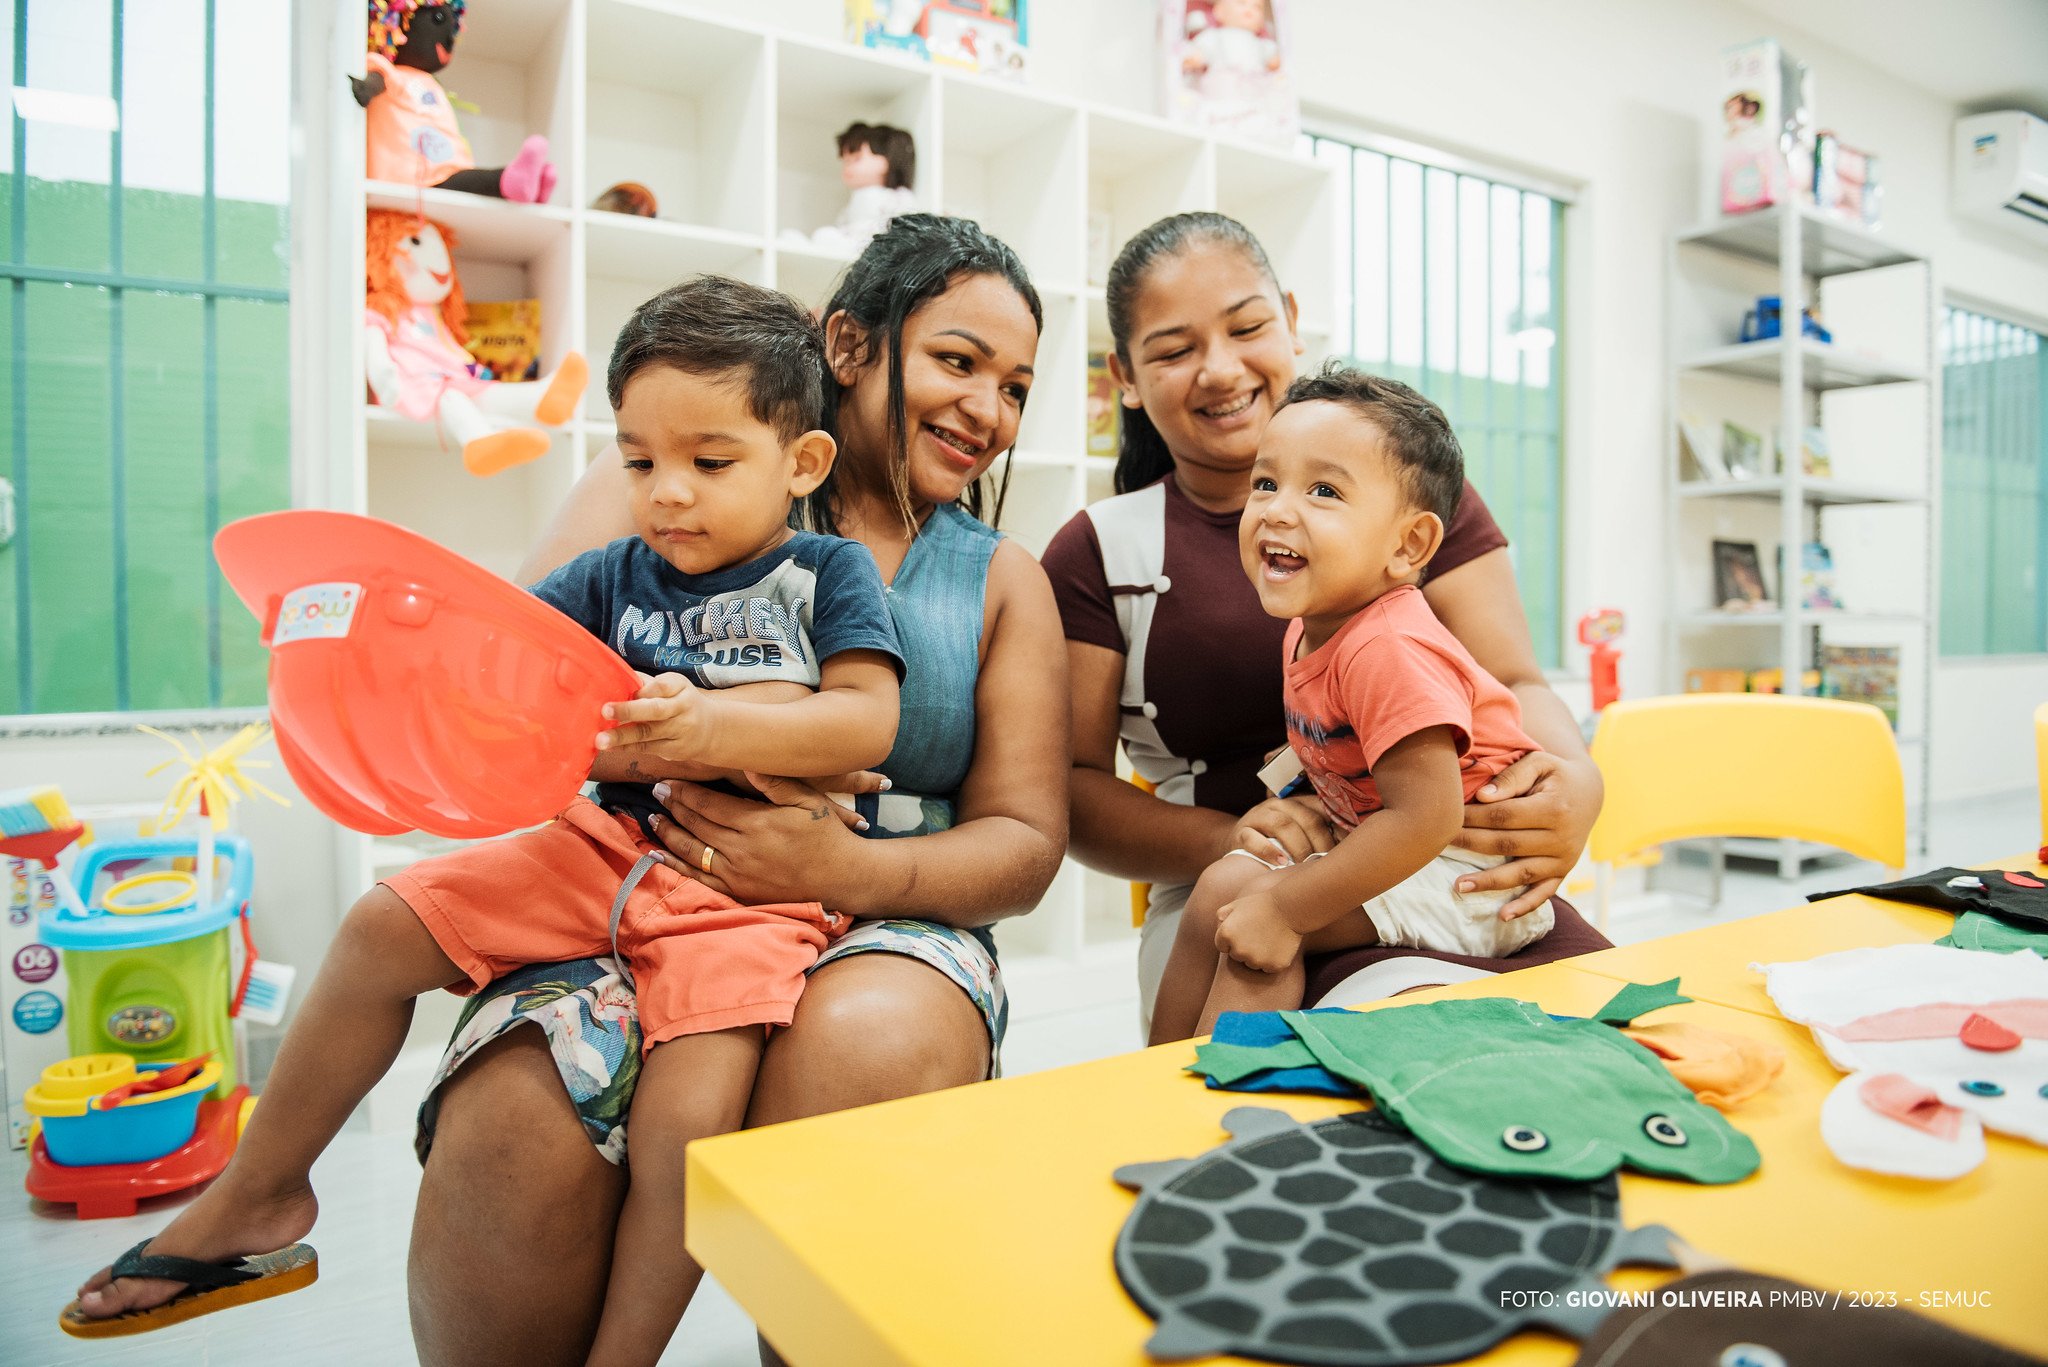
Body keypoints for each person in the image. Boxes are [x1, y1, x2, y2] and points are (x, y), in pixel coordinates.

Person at [64, 278, 909, 1366]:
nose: (667, 493)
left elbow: (865, 717)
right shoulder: (608, 574)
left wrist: (707, 725)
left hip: (746, 893)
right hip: (597, 852)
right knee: (380, 924)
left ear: (800, 465)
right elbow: (506, 683)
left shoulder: (822, 569)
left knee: (683, 1125)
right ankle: (259, 1194)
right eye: (639, 459)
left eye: (708, 462)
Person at [404, 215, 1065, 1367]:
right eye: (957, 361)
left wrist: (843, 868)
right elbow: (506, 709)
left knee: (860, 1048)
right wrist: (712, 744)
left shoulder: (1003, 576)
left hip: (890, 916)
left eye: (1013, 385)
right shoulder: (674, 481)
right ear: (849, 344)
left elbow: (1023, 846)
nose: (987, 410)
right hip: (628, 884)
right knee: (518, 1102)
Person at [1040, 212, 1609, 1033]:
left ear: (1292, 320)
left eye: (1247, 326)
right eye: (1174, 349)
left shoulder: (1403, 504)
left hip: (1434, 860)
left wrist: (1578, 781)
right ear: (1124, 375)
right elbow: (1074, 790)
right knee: (1285, 980)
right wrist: (1234, 836)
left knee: (1595, 1031)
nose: (1221, 369)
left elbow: (1511, 681)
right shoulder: (1101, 548)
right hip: (1247, 872)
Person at [1150, 365, 1556, 1043]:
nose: (1278, 508)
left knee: (1261, 924)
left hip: (1476, 877)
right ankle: (1149, 1084)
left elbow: (1428, 815)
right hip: (1404, 843)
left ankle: (1225, 1116)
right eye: (1266, 482)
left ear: (1409, 546)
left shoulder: (1388, 646)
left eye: (1324, 490)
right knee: (1217, 890)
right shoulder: (1314, 626)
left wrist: (1286, 908)